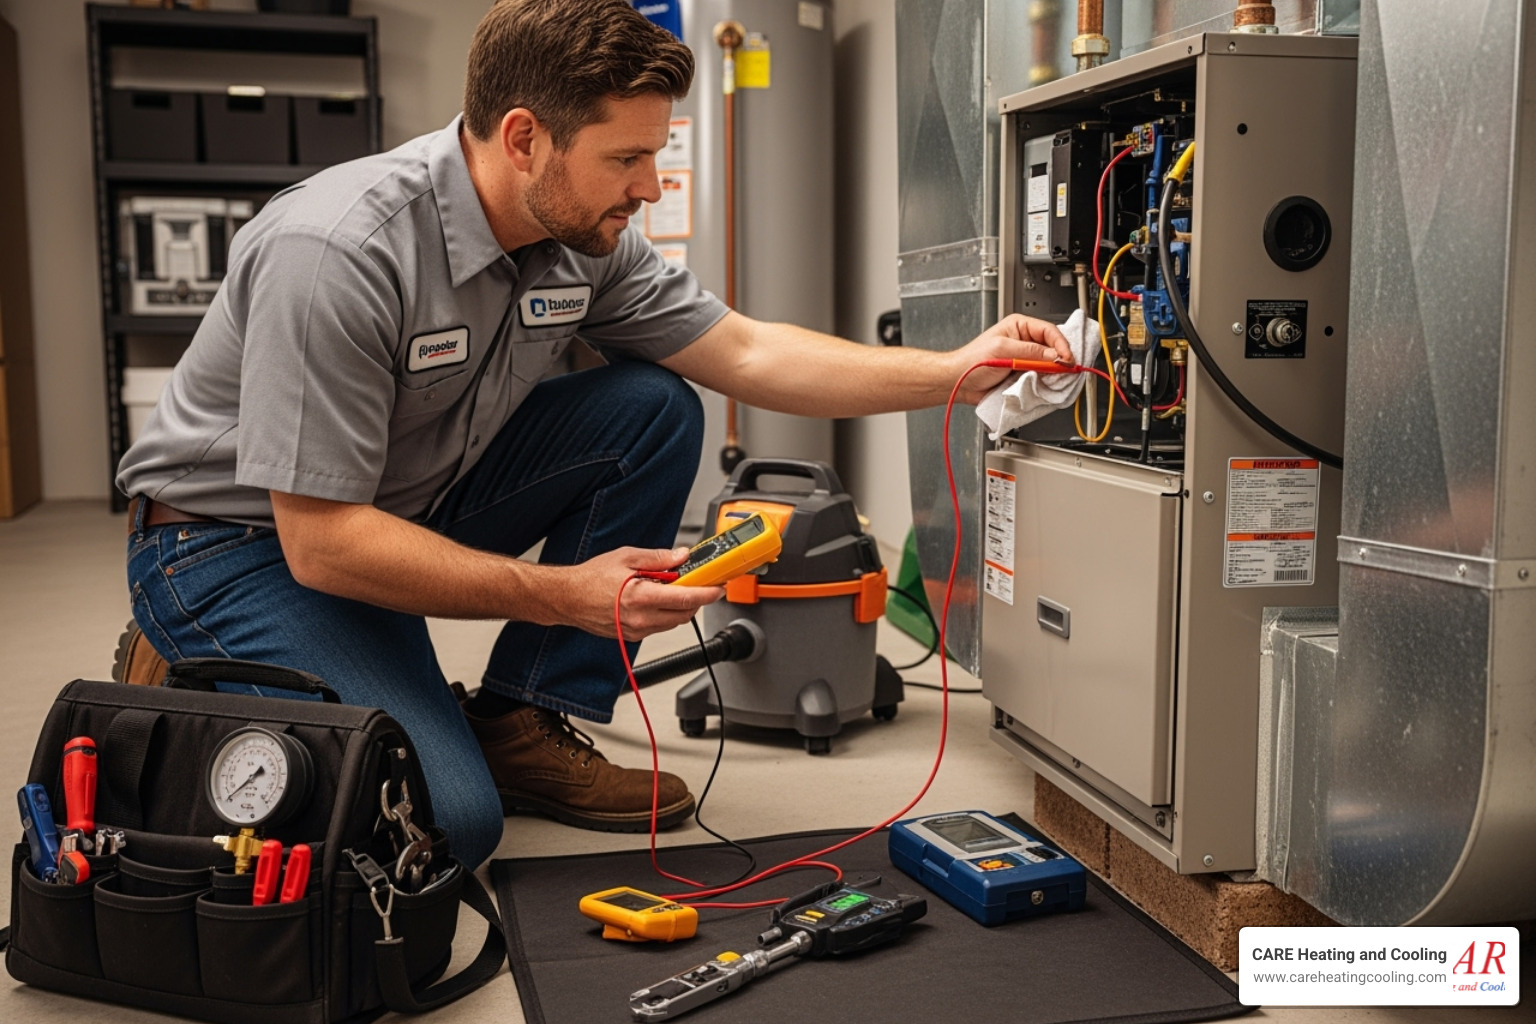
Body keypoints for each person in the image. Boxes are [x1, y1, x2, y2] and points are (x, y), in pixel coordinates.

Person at [116, 0, 1071, 871]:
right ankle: (195, 669)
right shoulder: (339, 252)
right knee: (452, 823)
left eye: (656, 156)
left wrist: (954, 373)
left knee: (653, 405)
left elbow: (746, 351)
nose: (651, 187)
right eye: (626, 160)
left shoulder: (581, 238)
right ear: (524, 138)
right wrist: (560, 596)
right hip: (231, 546)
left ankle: (524, 719)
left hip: (399, 500)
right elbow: (320, 541)